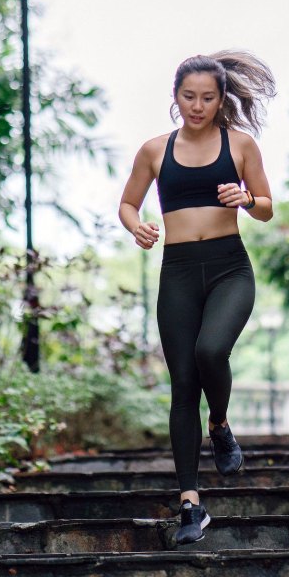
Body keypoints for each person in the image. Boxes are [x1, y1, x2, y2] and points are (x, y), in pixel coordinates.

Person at [118, 51, 275, 545]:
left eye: (208, 97)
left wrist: (247, 200)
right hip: (179, 272)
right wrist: (137, 226)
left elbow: (268, 207)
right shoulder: (154, 151)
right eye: (189, 96)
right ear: (175, 96)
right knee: (183, 383)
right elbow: (127, 202)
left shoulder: (241, 145)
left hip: (230, 267)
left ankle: (221, 424)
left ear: (221, 98)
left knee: (211, 351)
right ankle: (191, 505)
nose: (198, 105)